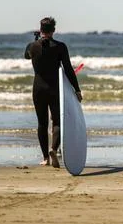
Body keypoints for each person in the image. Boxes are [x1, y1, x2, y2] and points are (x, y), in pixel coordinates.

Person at [24, 17, 82, 168]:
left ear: (41, 29)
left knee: (41, 123)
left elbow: (26, 55)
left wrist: (36, 39)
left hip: (38, 89)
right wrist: (77, 89)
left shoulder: (32, 46)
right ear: (54, 30)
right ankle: (53, 149)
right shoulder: (60, 47)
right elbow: (69, 70)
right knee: (57, 121)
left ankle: (45, 158)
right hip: (54, 89)